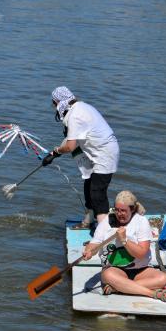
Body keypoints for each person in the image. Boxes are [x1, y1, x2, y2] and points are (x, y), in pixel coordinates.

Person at [42, 86, 120, 228]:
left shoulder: (74, 116)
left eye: (54, 103)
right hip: (98, 152)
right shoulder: (81, 107)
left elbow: (70, 146)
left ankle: (103, 231)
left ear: (59, 102)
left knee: (97, 193)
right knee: (88, 185)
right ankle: (88, 221)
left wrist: (57, 151)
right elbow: (74, 138)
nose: (54, 107)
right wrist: (53, 154)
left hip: (105, 154)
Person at [82, 191, 166, 300]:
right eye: (117, 210)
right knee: (107, 275)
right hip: (115, 270)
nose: (119, 214)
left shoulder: (141, 222)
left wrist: (125, 240)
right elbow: (95, 242)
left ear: (132, 209)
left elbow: (141, 254)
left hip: (140, 270)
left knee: (164, 278)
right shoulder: (107, 221)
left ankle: (118, 288)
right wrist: (89, 251)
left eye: (123, 211)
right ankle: (151, 293)